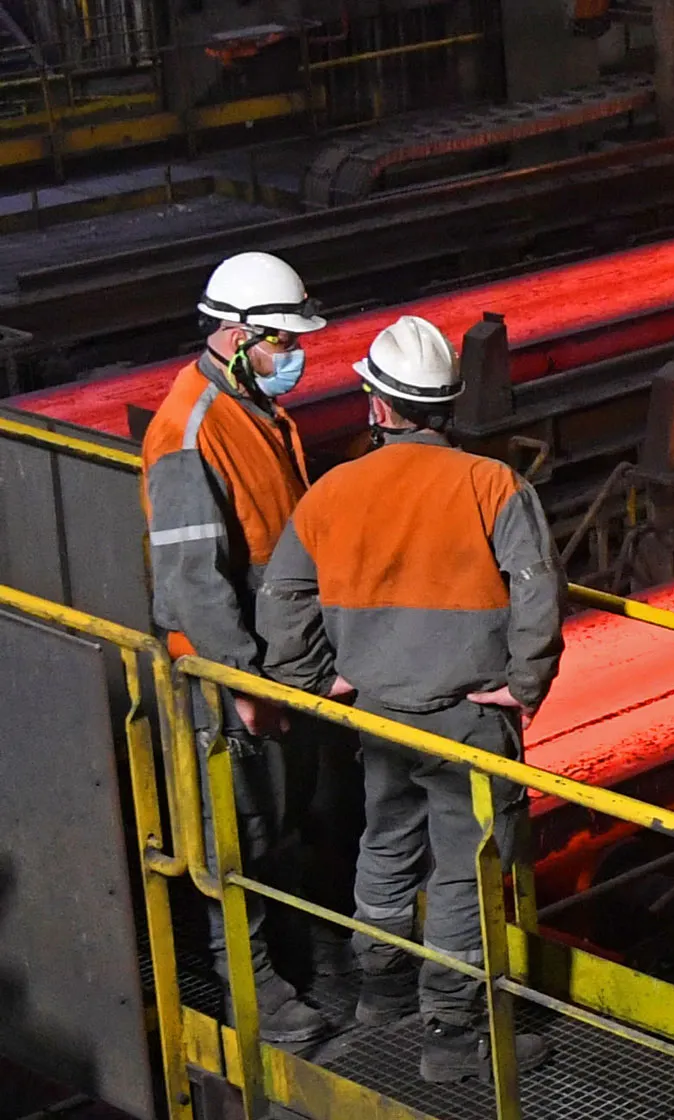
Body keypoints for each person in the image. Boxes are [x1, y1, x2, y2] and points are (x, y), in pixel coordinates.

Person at [257, 314, 562, 1082]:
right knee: (462, 868)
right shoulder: (493, 485)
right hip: (467, 717)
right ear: (447, 407)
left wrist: (309, 682)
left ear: (378, 406)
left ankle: (381, 991)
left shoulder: (332, 491)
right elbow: (538, 596)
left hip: (379, 712)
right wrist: (522, 686)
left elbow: (284, 596)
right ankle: (451, 1037)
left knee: (388, 844)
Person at [140, 251, 337, 1043]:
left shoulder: (254, 410)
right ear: (233, 335)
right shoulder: (189, 433)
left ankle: (293, 956)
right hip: (226, 674)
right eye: (280, 343)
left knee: (285, 821)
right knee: (240, 833)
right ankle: (255, 991)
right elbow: (193, 582)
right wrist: (243, 685)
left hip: (274, 661)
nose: (294, 357)